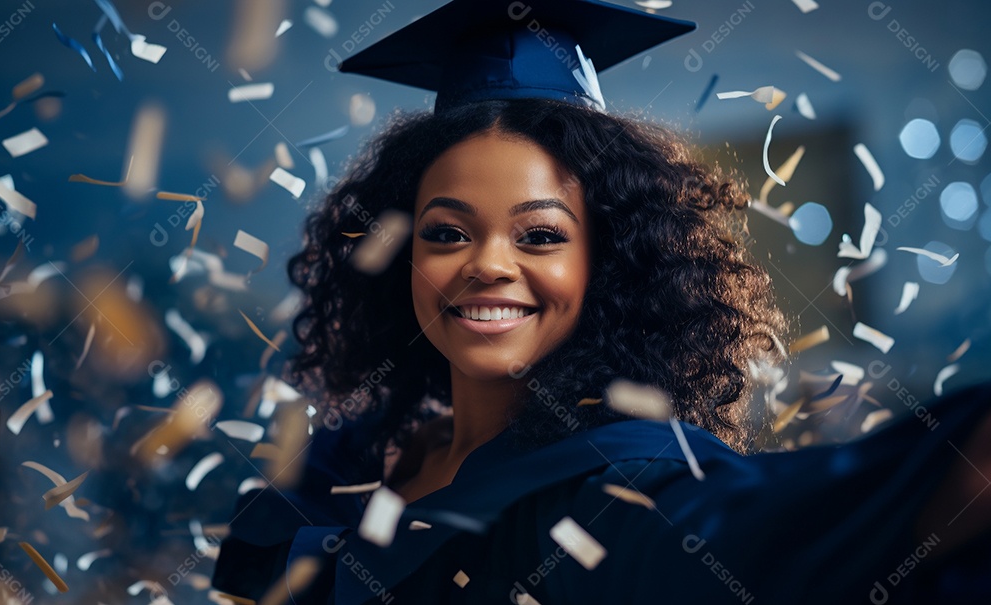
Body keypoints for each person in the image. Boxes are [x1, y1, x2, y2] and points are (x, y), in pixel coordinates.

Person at [212, 0, 991, 602]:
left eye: (540, 236)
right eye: (447, 233)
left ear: (609, 262)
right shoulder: (353, 459)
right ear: (397, 256)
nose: (486, 265)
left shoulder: (619, 492)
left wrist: (945, 475)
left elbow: (769, 530)